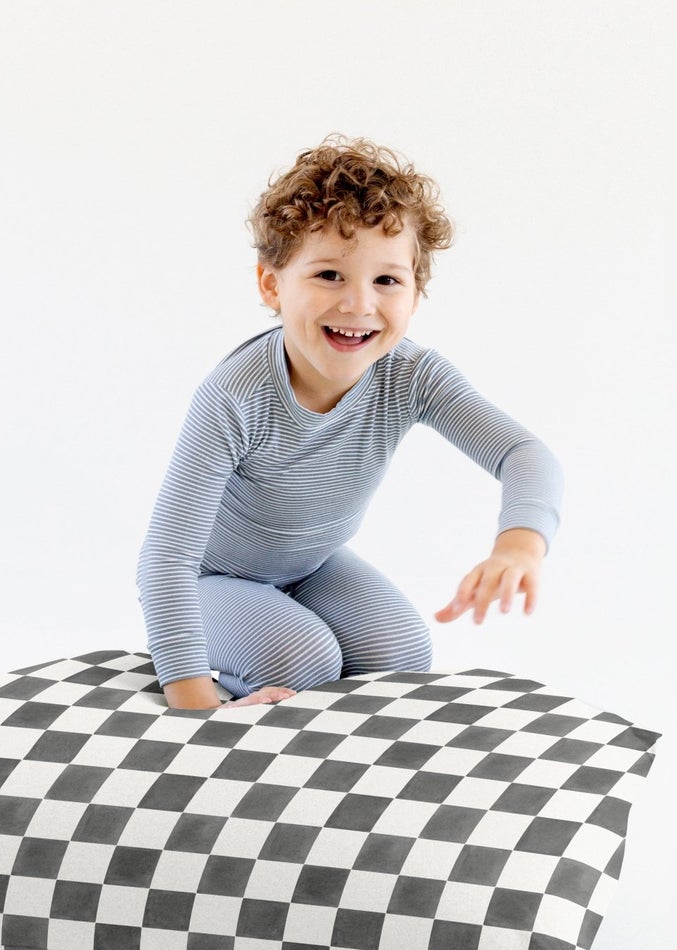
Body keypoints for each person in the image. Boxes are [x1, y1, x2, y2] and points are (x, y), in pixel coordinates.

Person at [134, 133, 563, 712]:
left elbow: (523, 455)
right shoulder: (235, 396)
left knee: (401, 653)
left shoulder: (410, 375)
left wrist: (519, 546)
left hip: (313, 566)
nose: (359, 304)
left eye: (387, 280)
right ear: (272, 285)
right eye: (329, 275)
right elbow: (165, 562)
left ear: (415, 295)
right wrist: (194, 702)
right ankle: (242, 678)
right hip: (211, 579)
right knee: (301, 660)